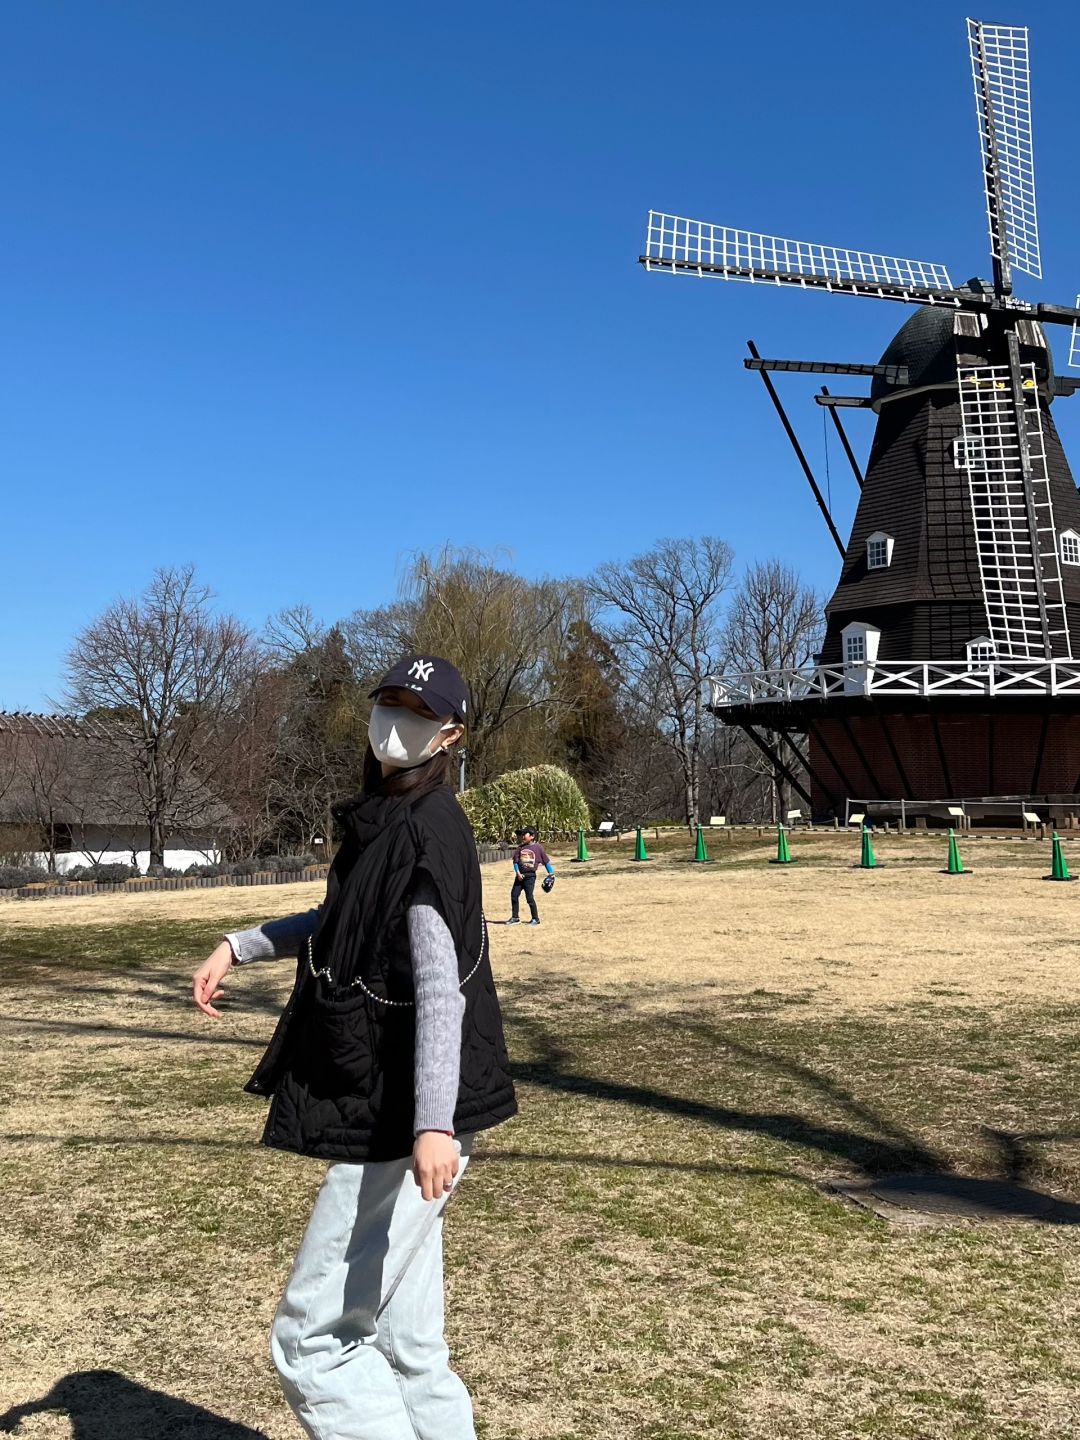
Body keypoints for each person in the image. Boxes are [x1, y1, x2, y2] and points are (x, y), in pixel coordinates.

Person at [192, 654, 516, 1440]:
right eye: (389, 705)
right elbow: (344, 920)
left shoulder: (427, 830)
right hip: (401, 1107)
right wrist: (243, 945)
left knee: (313, 1345)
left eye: (415, 712)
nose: (393, 724)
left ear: (451, 733)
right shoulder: (390, 818)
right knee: (409, 1344)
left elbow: (443, 984)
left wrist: (433, 1123)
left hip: (402, 1118)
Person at [508, 825, 554, 926]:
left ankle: (535, 919)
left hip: (530, 876)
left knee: (529, 897)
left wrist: (551, 874)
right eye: (522, 834)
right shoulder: (520, 848)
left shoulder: (538, 848)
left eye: (525, 834)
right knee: (514, 895)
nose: (523, 836)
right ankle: (515, 917)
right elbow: (515, 862)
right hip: (520, 876)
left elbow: (546, 862)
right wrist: (518, 873)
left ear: (532, 836)